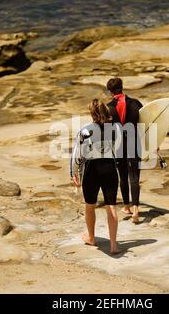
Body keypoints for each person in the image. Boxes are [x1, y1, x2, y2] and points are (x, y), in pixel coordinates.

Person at [70, 99, 121, 254]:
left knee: (90, 204)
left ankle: (91, 238)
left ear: (91, 113)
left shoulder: (85, 130)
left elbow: (77, 153)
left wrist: (74, 172)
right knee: (111, 206)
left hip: (92, 169)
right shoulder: (116, 128)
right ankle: (113, 246)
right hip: (109, 167)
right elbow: (118, 147)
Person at [106, 78, 143, 223]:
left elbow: (108, 131)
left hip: (118, 145)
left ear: (110, 91)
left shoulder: (108, 108)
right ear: (122, 87)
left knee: (123, 176)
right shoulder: (135, 103)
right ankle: (135, 211)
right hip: (135, 143)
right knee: (134, 177)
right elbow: (146, 124)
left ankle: (126, 206)